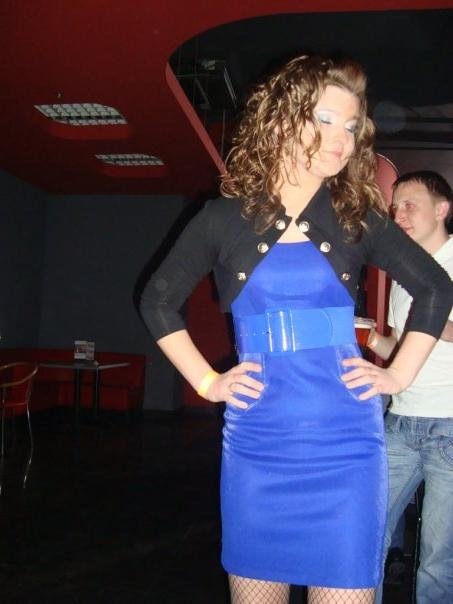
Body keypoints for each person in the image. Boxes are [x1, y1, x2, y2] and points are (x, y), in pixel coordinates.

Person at [139, 56, 453, 604]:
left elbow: (435, 288)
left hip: (346, 447)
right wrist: (208, 383)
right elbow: (157, 300)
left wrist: (398, 375)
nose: (343, 138)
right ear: (282, 121)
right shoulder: (223, 218)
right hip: (258, 444)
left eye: (351, 126)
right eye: (326, 120)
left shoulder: (356, 218)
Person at [367, 170, 453, 604]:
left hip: (450, 425)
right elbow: (402, 348)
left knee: (439, 558)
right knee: (367, 534)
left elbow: (434, 332)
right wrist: (368, 337)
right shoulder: (405, 273)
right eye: (395, 207)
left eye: (409, 206)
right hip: (400, 421)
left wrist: (433, 318)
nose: (398, 215)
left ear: (441, 210)